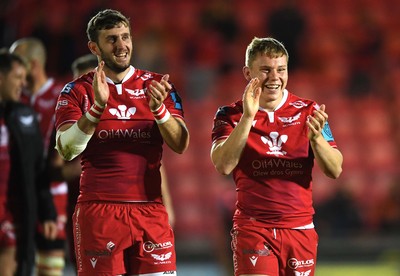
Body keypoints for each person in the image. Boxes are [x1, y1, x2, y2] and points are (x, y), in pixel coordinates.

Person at [54, 9, 189, 275]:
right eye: (111, 39)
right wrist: (96, 108)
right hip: (99, 211)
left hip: (150, 210)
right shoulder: (77, 91)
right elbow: (67, 148)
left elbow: (181, 144)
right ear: (94, 47)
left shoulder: (158, 86)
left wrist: (159, 111)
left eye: (125, 37)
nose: (121, 45)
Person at [210, 37, 343, 276]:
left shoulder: (310, 111)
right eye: (265, 70)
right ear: (247, 72)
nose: (274, 78)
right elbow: (223, 165)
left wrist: (316, 140)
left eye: (281, 70)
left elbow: (335, 169)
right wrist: (248, 118)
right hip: (253, 228)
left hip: (300, 229)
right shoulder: (228, 114)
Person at [9, 37, 68, 276]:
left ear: (32, 64)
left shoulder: (63, 95)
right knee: (13, 261)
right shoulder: (12, 96)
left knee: (50, 265)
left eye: (18, 61)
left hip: (52, 191)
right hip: (17, 190)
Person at [0, 51, 57, 276]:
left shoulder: (24, 116)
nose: (23, 84)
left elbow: (37, 169)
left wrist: (47, 212)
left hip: (12, 215)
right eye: (18, 77)